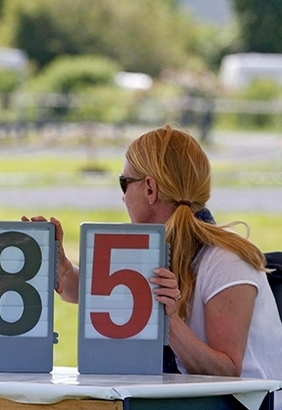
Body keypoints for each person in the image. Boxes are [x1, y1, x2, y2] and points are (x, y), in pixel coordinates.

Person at [24, 125, 282, 404]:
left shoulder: (226, 259)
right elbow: (93, 292)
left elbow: (228, 372)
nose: (122, 196)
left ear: (150, 188)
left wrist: (168, 320)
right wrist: (61, 267)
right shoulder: (146, 247)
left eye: (124, 182)